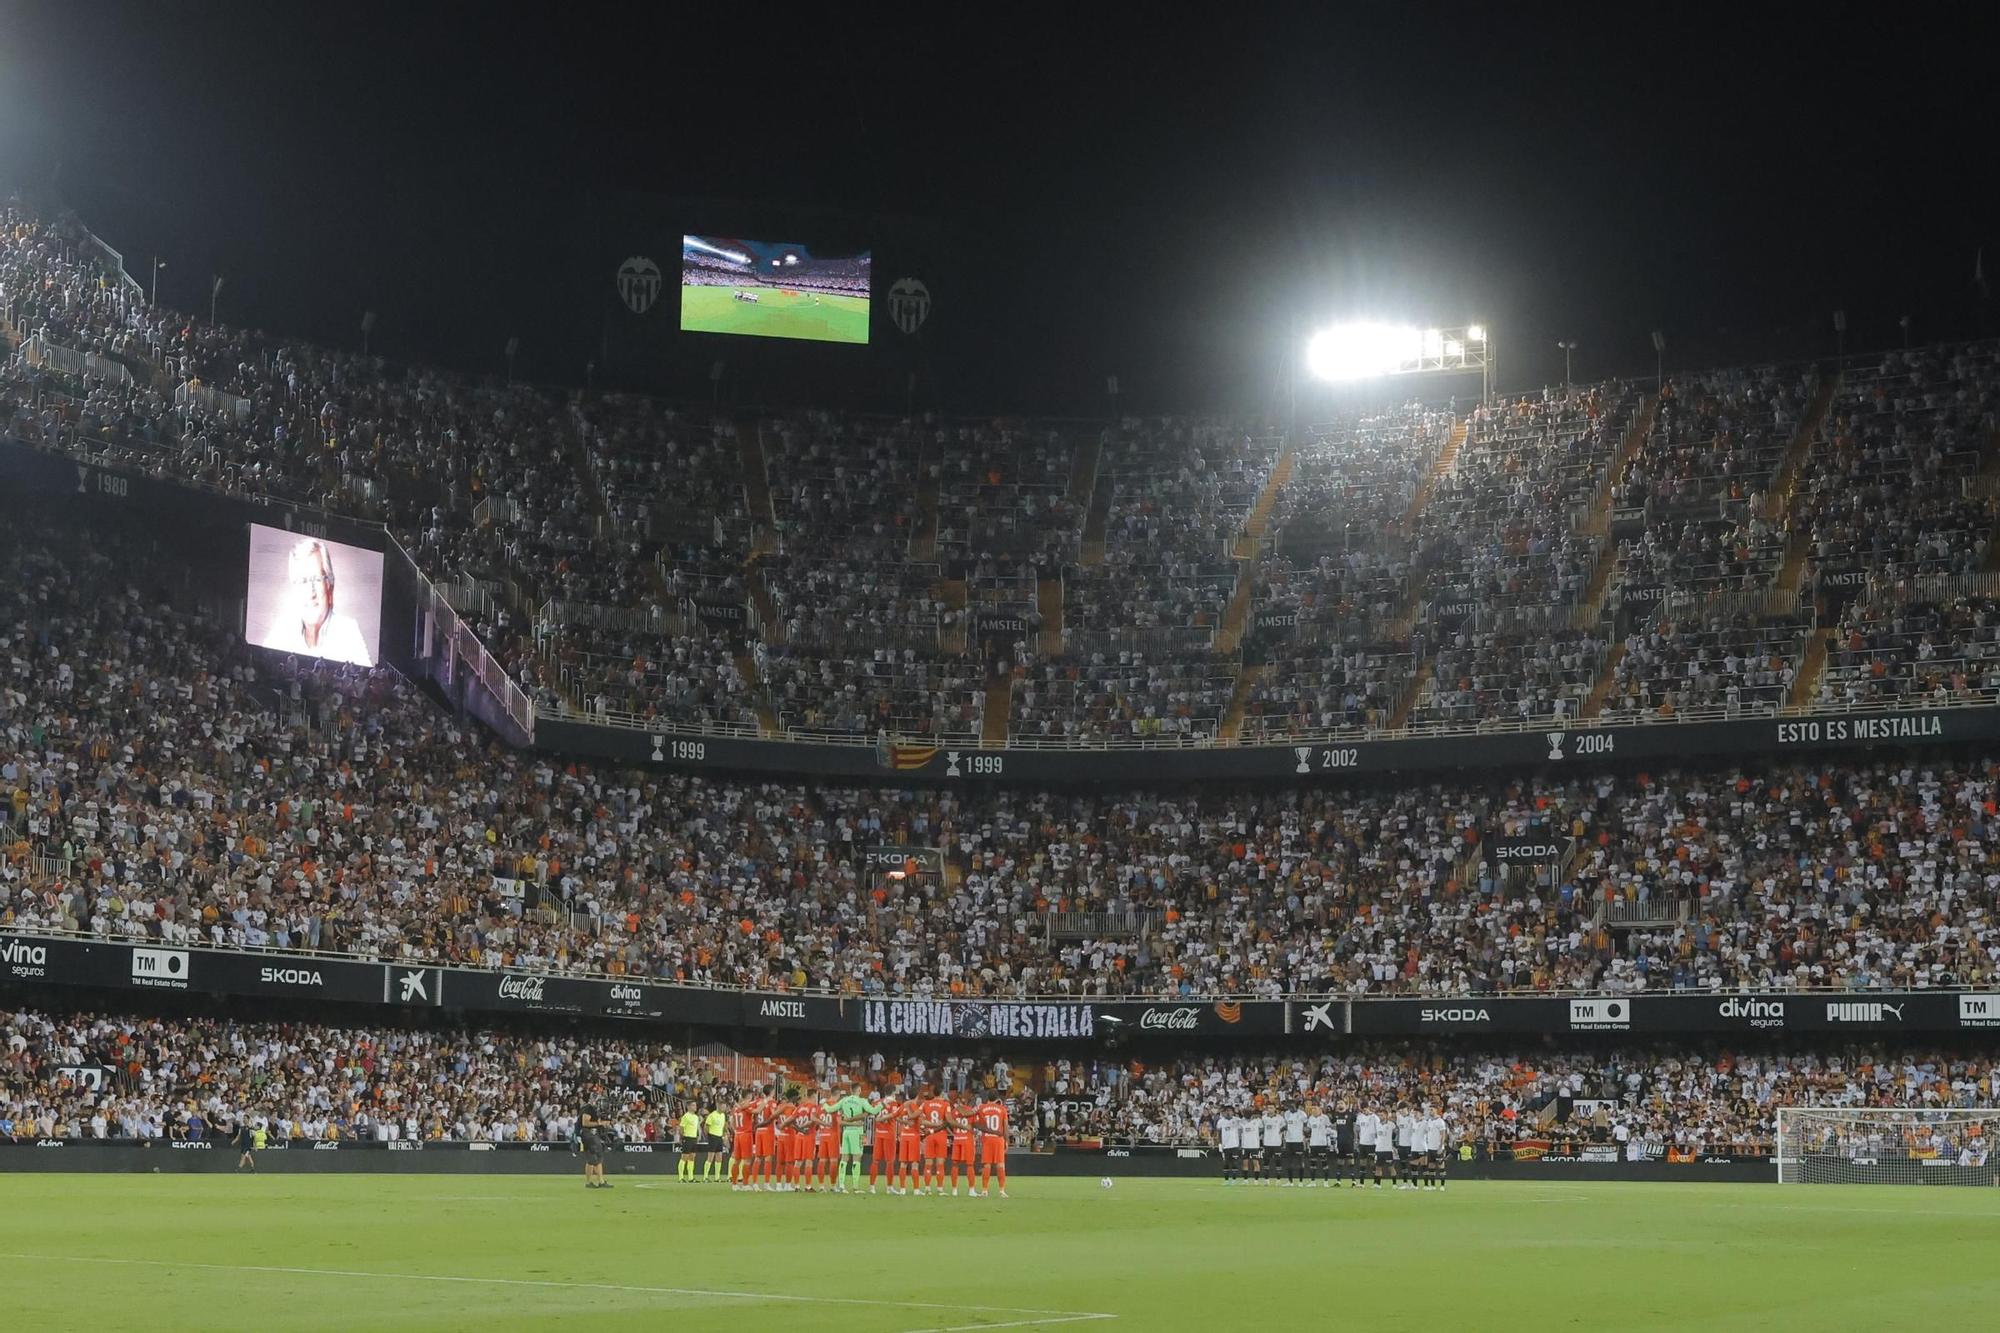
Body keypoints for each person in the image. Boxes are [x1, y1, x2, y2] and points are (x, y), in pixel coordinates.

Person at [262, 538, 372, 666]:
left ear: (330, 584)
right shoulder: (282, 628)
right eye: (303, 581)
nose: (311, 592)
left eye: (317, 579)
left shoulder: (349, 630)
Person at [831, 1081, 877, 1194]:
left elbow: (841, 1118)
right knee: (857, 1157)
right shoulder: (862, 1101)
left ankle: (841, 1185)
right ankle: (855, 1187)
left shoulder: (845, 1101)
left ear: (851, 1090)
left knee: (844, 1158)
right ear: (859, 1090)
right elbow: (870, 1112)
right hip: (858, 1131)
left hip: (846, 1131)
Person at [972, 1093, 1009, 1198]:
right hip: (999, 1139)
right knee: (1000, 1165)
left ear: (987, 1098)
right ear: (997, 1098)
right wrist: (1006, 1141)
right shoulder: (1002, 1109)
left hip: (987, 1138)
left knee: (986, 1165)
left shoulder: (982, 1107)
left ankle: (984, 1191)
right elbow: (1005, 1127)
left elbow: (973, 1119)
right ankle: (1002, 1191)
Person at [918, 1087, 952, 1195]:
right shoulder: (945, 1104)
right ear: (941, 1093)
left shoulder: (926, 1104)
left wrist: (929, 1127)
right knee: (940, 1164)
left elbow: (921, 1120)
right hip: (941, 1135)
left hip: (929, 1136)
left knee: (928, 1164)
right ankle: (940, 1189)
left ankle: (927, 1188)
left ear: (933, 1093)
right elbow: (948, 1120)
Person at [869, 1093, 899, 1194]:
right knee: (890, 1161)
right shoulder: (893, 1103)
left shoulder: (877, 1102)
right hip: (889, 1134)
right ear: (893, 1092)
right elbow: (894, 1115)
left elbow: (872, 1113)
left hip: (878, 1133)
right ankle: (889, 1188)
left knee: (875, 1161)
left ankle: (872, 1187)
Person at [948, 1099, 977, 1196]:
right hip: (967, 1140)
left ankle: (954, 1190)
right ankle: (971, 1190)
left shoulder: (954, 1111)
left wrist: (953, 1132)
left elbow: (949, 1122)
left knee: (955, 1165)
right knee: (969, 1165)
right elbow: (974, 1124)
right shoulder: (970, 1110)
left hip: (957, 1139)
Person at [577, 1107, 610, 1189]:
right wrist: (599, 1123)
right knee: (596, 1157)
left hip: (592, 1135)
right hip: (588, 1135)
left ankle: (590, 1182)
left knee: (591, 1160)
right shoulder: (588, 1109)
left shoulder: (596, 1110)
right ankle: (600, 1181)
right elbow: (585, 1123)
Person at [730, 1091, 758, 1190]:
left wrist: (735, 1130)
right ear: (749, 1097)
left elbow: (732, 1121)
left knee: (737, 1160)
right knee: (747, 1160)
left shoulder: (736, 1108)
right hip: (746, 1135)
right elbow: (757, 1111)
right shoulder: (747, 1107)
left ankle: (734, 1184)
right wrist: (764, 1101)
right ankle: (745, 1184)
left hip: (737, 1135)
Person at [1306, 1102, 1334, 1187]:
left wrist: (1325, 1132)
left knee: (1324, 1164)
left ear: (1320, 1110)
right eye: (1313, 1109)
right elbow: (1309, 1129)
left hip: (1322, 1143)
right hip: (1313, 1143)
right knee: (1312, 1164)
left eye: (1316, 1109)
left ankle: (1326, 1182)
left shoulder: (1325, 1118)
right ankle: (1312, 1182)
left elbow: (1330, 1128)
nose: (1314, 1110)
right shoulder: (1310, 1118)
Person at [703, 1103, 728, 1182]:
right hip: (713, 1137)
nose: (724, 1108)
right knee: (710, 1157)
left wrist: (724, 1135)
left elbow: (724, 1127)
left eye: (725, 1107)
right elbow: (706, 1127)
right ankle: (705, 1177)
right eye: (723, 1107)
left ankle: (717, 1177)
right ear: (718, 1106)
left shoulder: (723, 1115)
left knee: (719, 1158)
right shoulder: (712, 1115)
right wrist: (709, 1136)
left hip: (719, 1137)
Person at [677, 1102, 701, 1182]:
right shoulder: (685, 1116)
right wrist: (682, 1137)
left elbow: (697, 1128)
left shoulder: (696, 1117)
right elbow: (681, 1128)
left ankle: (691, 1177)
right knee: (684, 1157)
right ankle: (681, 1177)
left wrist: (698, 1136)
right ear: (688, 1106)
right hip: (687, 1138)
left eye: (695, 1105)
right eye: (693, 1105)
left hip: (694, 1138)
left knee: (692, 1157)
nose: (695, 1107)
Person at [1217, 1108, 1241, 1185]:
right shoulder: (1221, 1121)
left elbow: (1241, 1130)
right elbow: (1219, 1133)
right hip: (1225, 1146)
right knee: (1226, 1163)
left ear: (1233, 1112)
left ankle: (1234, 1180)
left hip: (1234, 1145)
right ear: (1224, 1112)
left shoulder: (1237, 1120)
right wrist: (1220, 1143)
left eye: (1230, 1111)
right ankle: (1226, 1180)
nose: (1228, 1112)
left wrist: (1240, 1142)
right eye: (1227, 1111)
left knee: (1234, 1163)